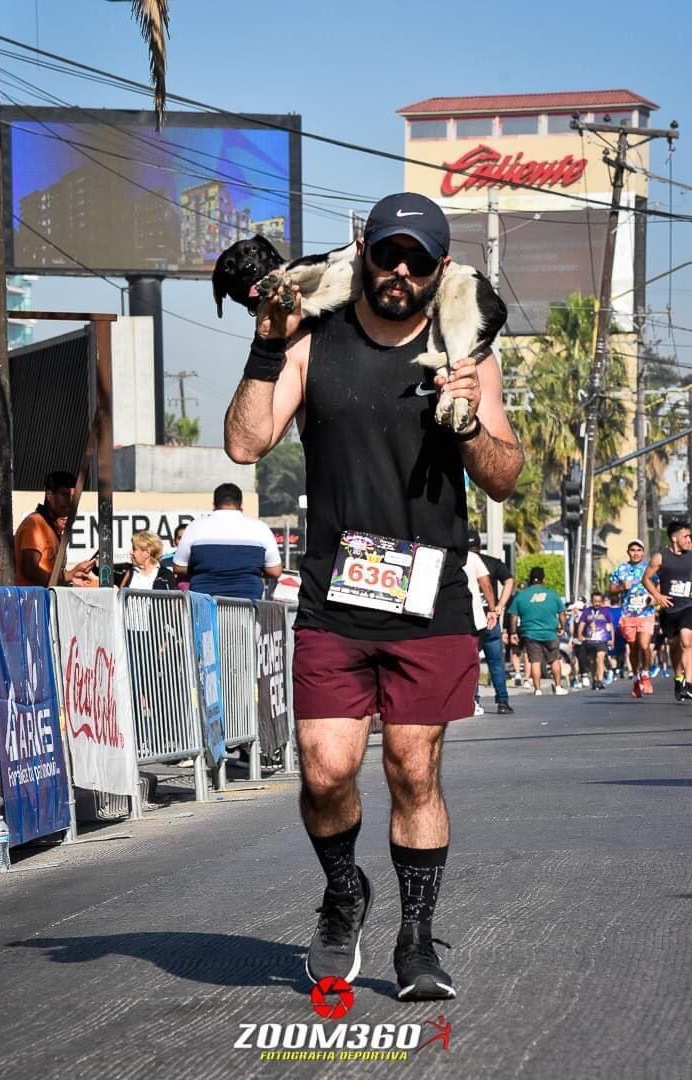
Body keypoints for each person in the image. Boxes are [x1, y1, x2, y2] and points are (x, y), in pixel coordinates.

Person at [224, 191, 523, 1001]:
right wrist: (263, 346)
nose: (399, 272)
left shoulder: (466, 347)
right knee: (325, 770)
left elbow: (505, 473)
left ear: (441, 269)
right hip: (334, 593)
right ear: (364, 248)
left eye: (417, 261)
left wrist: (465, 423)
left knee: (411, 769)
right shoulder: (312, 338)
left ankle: (416, 939)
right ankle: (343, 890)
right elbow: (246, 441)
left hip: (430, 599)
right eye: (388, 254)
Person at [172, 483, 282, 600]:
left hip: (205, 605)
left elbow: (178, 567)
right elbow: (275, 571)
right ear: (241, 505)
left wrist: (203, 567)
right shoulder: (260, 528)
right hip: (246, 604)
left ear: (214, 505)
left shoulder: (195, 527)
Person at [14, 470, 96, 587]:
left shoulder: (52, 529)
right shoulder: (35, 523)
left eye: (73, 496)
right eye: (64, 495)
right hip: (31, 602)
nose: (69, 501)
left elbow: (52, 576)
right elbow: (29, 569)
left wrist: (72, 574)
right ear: (49, 495)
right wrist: (59, 583)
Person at [642, 521, 692, 701]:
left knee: (687, 641)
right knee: (675, 646)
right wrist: (657, 595)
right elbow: (645, 579)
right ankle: (678, 678)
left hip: (689, 606)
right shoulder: (660, 557)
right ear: (674, 538)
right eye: (685, 536)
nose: (688, 539)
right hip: (670, 609)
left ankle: (688, 683)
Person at [467, 528, 514, 714]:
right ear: (480, 545)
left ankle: (475, 700)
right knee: (496, 663)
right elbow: (509, 580)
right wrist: (498, 606)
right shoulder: (492, 562)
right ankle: (502, 701)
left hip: (471, 620)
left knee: (472, 663)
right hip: (491, 619)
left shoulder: (463, 562)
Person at [507, 567, 568, 696]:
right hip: (550, 632)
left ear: (530, 579)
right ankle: (558, 686)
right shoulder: (552, 594)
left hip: (530, 633)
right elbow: (562, 613)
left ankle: (538, 689)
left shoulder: (521, 595)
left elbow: (513, 616)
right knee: (554, 660)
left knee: (535, 661)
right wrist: (563, 627)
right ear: (543, 579)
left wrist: (512, 633)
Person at [608, 539, 656, 698]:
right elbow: (611, 590)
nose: (635, 553)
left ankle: (646, 674)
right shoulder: (621, 569)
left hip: (646, 613)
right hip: (628, 615)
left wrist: (653, 598)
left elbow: (659, 586)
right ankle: (636, 678)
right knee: (634, 647)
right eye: (632, 550)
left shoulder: (649, 568)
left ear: (643, 552)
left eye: (638, 550)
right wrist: (622, 587)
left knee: (644, 645)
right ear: (628, 552)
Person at [463, 546, 497, 716]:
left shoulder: (441, 553)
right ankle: (472, 700)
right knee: (471, 661)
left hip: (446, 620)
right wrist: (492, 609)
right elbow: (486, 583)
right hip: (473, 619)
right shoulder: (472, 558)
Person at [576, 591, 614, 689]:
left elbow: (610, 625)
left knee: (599, 658)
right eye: (594, 601)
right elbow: (581, 624)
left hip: (602, 639)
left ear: (601, 601)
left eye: (599, 601)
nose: (597, 603)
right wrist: (579, 634)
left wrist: (612, 639)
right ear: (591, 601)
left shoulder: (605, 612)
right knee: (593, 661)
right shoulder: (586, 612)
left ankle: (600, 681)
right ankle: (594, 680)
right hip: (590, 640)